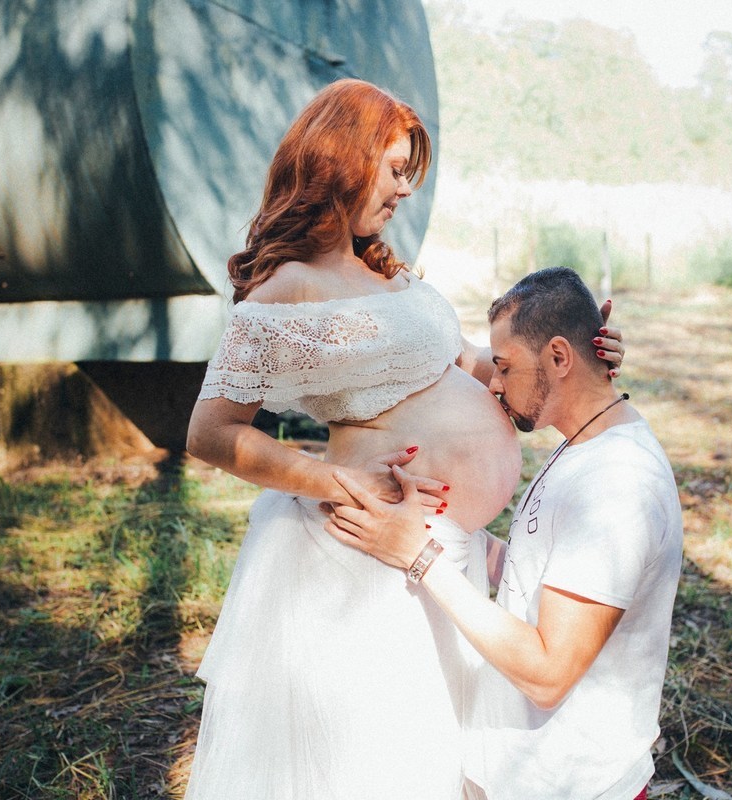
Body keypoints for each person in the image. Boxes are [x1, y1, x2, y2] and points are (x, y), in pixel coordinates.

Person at [182, 81, 624, 799]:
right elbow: (210, 433)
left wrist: (573, 359)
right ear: (342, 162)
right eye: (393, 169)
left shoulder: (389, 274)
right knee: (368, 767)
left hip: (431, 552)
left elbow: (477, 370)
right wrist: (340, 480)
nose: (405, 189)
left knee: (425, 755)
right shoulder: (291, 286)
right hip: (355, 559)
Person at [326, 267, 683, 800]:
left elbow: (547, 673)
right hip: (521, 774)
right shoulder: (584, 445)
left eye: (505, 367)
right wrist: (445, 531)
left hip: (571, 786)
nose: (493, 383)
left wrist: (420, 555)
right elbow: (534, 573)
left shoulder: (618, 485)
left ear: (559, 357)